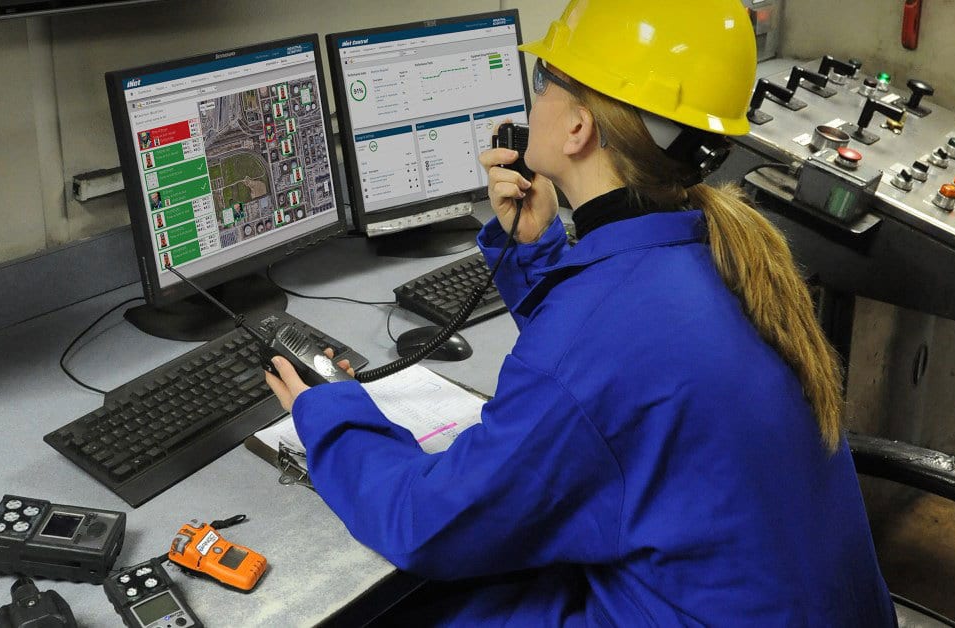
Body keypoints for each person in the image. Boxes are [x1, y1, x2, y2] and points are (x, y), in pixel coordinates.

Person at [265, 1, 896, 625]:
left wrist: (332, 412)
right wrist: (537, 253)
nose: (530, 99)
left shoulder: (602, 333)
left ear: (577, 129)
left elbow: (426, 524)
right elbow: (611, 390)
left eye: (544, 82)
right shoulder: (726, 250)